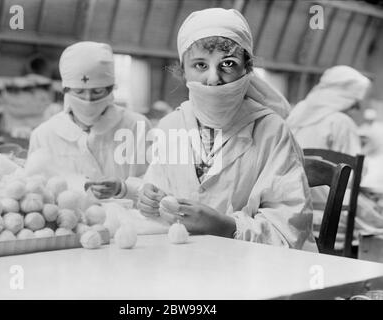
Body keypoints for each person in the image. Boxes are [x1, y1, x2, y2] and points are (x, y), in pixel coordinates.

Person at [136, 8, 317, 250]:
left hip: (254, 269)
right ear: (183, 71)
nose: (213, 79)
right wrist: (150, 201)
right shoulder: (171, 126)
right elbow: (158, 192)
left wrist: (226, 226)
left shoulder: (272, 130)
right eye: (200, 65)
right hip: (182, 262)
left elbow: (290, 229)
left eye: (227, 64)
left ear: (247, 69)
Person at [29, 42, 152, 199]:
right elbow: (35, 189)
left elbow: (156, 183)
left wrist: (124, 189)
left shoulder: (136, 127)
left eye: (97, 91)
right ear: (65, 90)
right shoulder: (44, 135)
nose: (88, 100)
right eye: (79, 92)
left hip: (131, 222)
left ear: (111, 88)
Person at [287, 66, 383, 246]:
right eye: (355, 102)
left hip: (293, 206)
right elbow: (353, 176)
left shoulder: (296, 114)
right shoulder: (341, 122)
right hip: (331, 209)